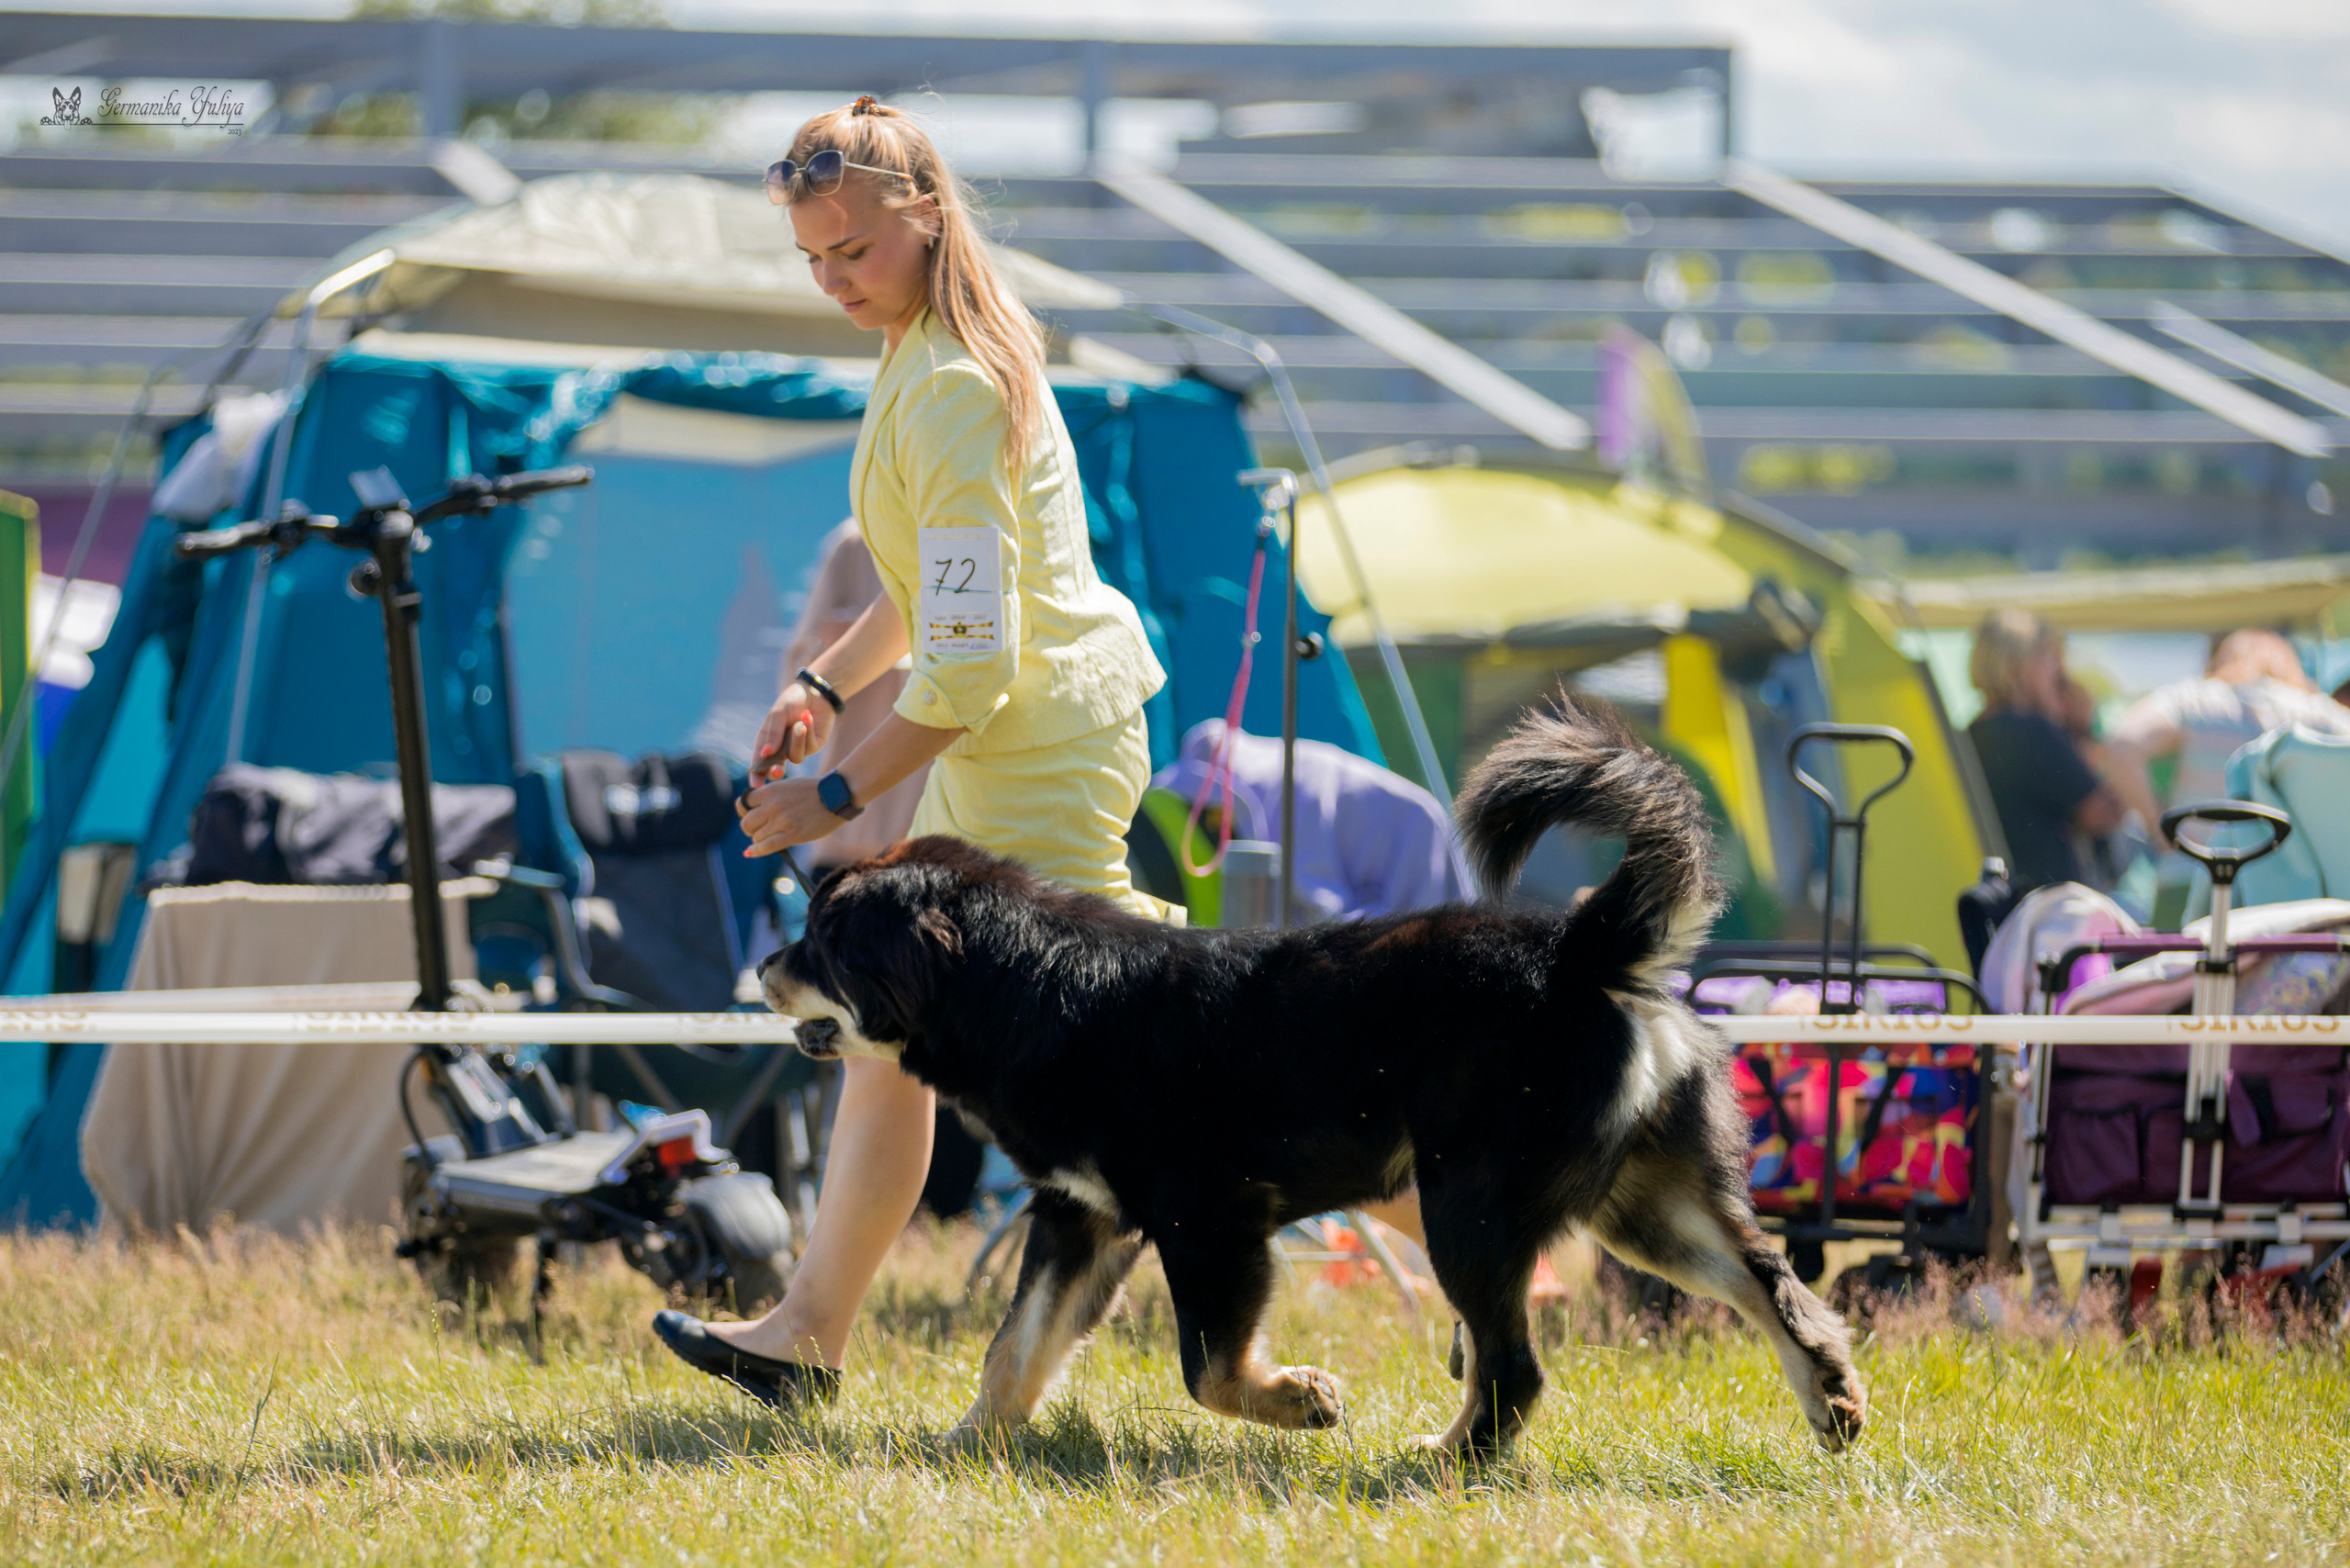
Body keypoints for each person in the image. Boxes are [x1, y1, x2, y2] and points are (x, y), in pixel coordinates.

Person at [650, 95, 1174, 1407]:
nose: (834, 280)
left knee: (1177, 1053)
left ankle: (1425, 1196)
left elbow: (969, 669)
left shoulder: (942, 385)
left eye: (854, 253)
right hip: (1028, 731)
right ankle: (811, 1336)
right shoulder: (923, 351)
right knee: (894, 1035)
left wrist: (830, 796)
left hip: (1036, 740)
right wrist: (824, 682)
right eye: (813, 260)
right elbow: (926, 590)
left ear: (926, 221)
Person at [2105, 628, 2350, 849]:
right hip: (2282, 882)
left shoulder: (2194, 700)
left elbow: (2122, 745)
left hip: (2193, 866)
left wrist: (2159, 828)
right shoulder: (2311, 711)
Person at [1964, 609, 2123, 893]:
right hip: (2048, 902)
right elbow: (2101, 814)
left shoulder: (1972, 733)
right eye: (2049, 658)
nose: (2058, 671)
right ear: (2019, 665)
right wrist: (2083, 731)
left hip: (1996, 895)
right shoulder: (2032, 731)